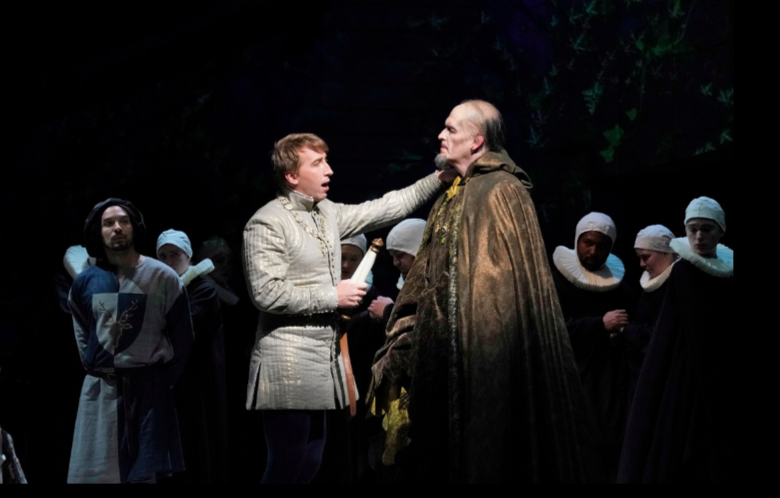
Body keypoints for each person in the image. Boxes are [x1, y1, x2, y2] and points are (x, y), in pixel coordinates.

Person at [369, 100, 602, 483]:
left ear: (477, 141)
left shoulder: (501, 192)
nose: (441, 135)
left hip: (483, 360)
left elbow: (500, 294)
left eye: (451, 129)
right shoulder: (450, 197)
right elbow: (425, 278)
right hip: (439, 361)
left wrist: (480, 352)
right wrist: (405, 334)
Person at [242, 133, 454, 483]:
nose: (329, 170)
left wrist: (437, 179)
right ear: (292, 175)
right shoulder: (267, 223)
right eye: (317, 163)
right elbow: (266, 293)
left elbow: (385, 207)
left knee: (310, 461)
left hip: (319, 360)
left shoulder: (325, 214)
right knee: (285, 465)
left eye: (326, 161)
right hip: (287, 360)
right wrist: (332, 295)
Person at [66, 198, 193, 483]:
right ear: (98, 231)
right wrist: (99, 368)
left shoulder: (163, 277)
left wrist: (158, 380)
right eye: (108, 223)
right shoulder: (85, 282)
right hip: (101, 392)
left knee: (143, 475)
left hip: (147, 392)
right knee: (97, 474)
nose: (117, 228)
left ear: (134, 227)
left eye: (124, 221)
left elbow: (182, 337)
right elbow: (83, 333)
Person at [618, 197, 734, 483]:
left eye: (707, 229)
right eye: (693, 229)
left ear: (721, 231)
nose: (699, 236)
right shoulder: (682, 272)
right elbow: (670, 331)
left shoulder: (727, 275)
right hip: (685, 374)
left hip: (720, 370)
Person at [551, 212, 636, 482]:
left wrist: (619, 334)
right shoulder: (557, 283)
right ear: (577, 240)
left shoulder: (621, 290)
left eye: (602, 246)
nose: (593, 251)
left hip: (606, 381)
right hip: (569, 376)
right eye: (588, 243)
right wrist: (599, 324)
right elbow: (554, 328)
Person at [156, 229, 228, 483]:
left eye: (175, 254)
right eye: (163, 256)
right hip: (173, 383)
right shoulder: (159, 291)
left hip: (199, 381)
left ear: (188, 257)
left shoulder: (203, 288)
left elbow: (184, 327)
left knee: (198, 444)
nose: (169, 261)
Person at [622, 225, 678, 408]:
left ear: (665, 252)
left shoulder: (676, 286)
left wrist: (625, 330)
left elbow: (661, 334)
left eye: (646, 257)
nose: (641, 264)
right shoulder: (654, 284)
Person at [366, 218, 426, 324]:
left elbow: (423, 324)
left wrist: (388, 312)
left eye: (399, 255)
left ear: (418, 250)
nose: (395, 263)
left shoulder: (438, 285)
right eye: (393, 256)